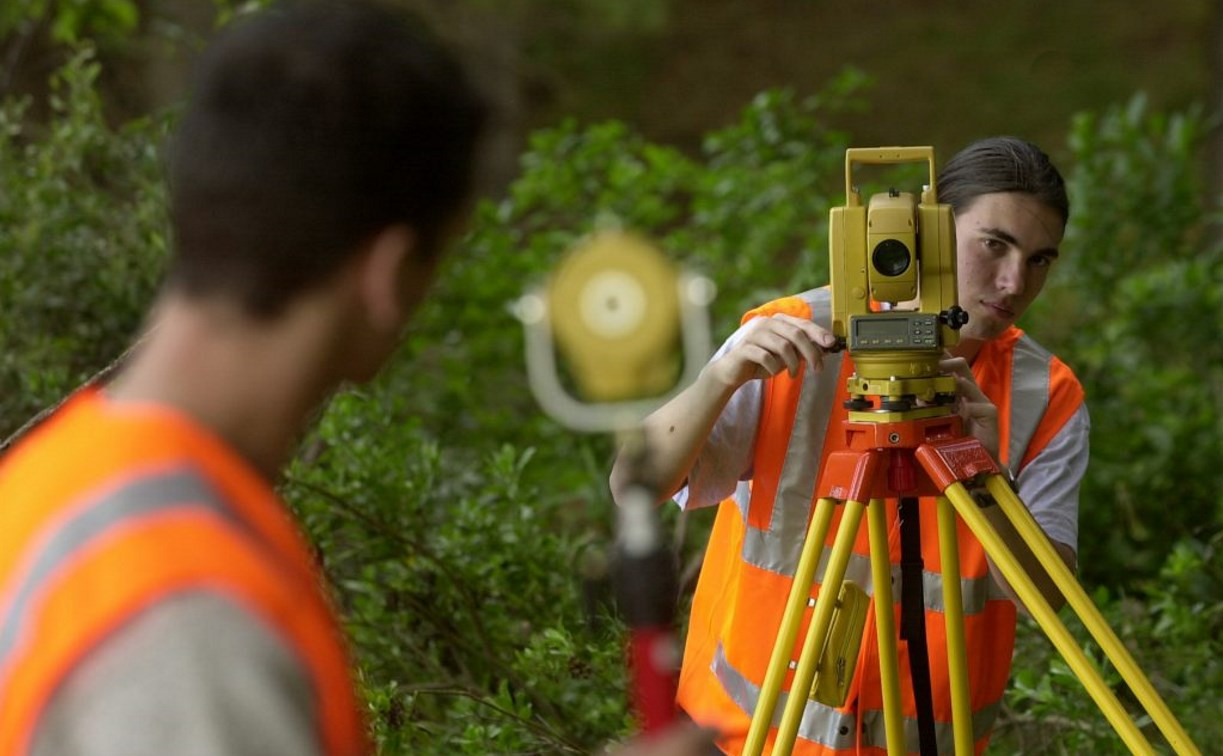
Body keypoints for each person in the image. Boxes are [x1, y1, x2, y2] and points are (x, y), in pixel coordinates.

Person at [610, 137, 1089, 754]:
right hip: (746, 739)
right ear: (928, 231)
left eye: (1040, 259)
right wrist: (719, 379)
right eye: (993, 244)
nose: (1012, 281)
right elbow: (634, 487)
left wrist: (985, 474)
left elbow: (1044, 600)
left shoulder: (1044, 394)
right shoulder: (793, 335)